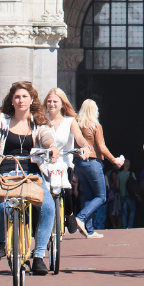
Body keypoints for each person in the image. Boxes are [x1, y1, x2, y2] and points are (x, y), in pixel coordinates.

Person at [0, 81, 59, 275]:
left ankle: (39, 256)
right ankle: (1, 240)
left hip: (32, 174)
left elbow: (47, 136)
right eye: (17, 97)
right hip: (7, 172)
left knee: (48, 206)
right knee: (2, 207)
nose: (21, 100)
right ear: (12, 100)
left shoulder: (38, 122)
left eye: (24, 96)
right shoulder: (2, 120)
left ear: (31, 99)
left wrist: (52, 147)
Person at [43, 88, 90, 235]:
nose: (51, 104)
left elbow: (80, 138)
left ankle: (69, 214)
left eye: (55, 101)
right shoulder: (41, 120)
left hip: (63, 162)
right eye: (49, 101)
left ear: (62, 104)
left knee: (66, 189)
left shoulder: (70, 121)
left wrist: (86, 147)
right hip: (45, 162)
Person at [74, 99, 124, 239]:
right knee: (101, 197)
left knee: (89, 197)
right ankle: (81, 217)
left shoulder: (77, 125)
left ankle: (89, 230)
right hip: (93, 162)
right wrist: (114, 160)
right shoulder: (95, 126)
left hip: (79, 163)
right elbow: (101, 147)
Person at [118, 159, 136, 229]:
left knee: (124, 211)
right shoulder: (132, 174)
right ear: (129, 165)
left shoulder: (119, 175)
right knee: (132, 210)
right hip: (130, 195)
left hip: (122, 195)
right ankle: (130, 225)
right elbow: (134, 186)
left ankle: (124, 226)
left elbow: (117, 186)